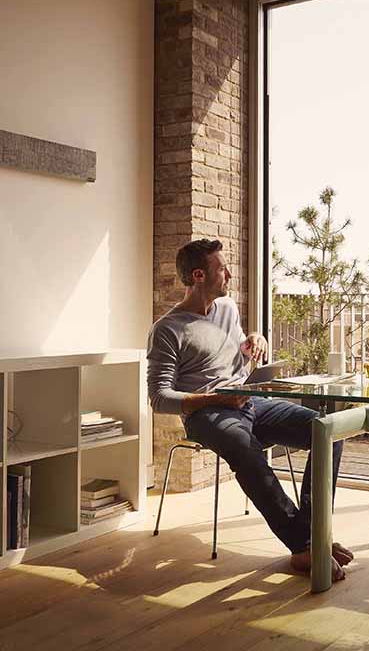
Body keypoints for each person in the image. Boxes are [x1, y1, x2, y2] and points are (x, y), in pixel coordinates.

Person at [147, 238, 351, 580]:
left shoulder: (226, 307)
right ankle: (303, 546)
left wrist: (255, 339)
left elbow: (234, 349)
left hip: (248, 401)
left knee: (327, 429)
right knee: (245, 449)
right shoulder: (167, 329)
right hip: (206, 414)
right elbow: (159, 398)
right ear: (198, 275)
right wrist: (215, 400)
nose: (229, 274)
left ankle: (314, 534)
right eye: (221, 268)